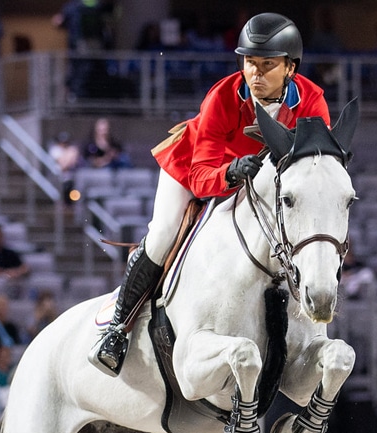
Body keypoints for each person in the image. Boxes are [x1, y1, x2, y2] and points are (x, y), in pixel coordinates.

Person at [90, 13, 330, 376]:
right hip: (193, 168)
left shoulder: (313, 103)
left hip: (256, 180)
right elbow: (201, 176)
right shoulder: (222, 96)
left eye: (268, 65)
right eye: (250, 63)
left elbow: (314, 172)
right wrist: (230, 173)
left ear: (291, 68)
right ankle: (117, 330)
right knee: (163, 233)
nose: (256, 74)